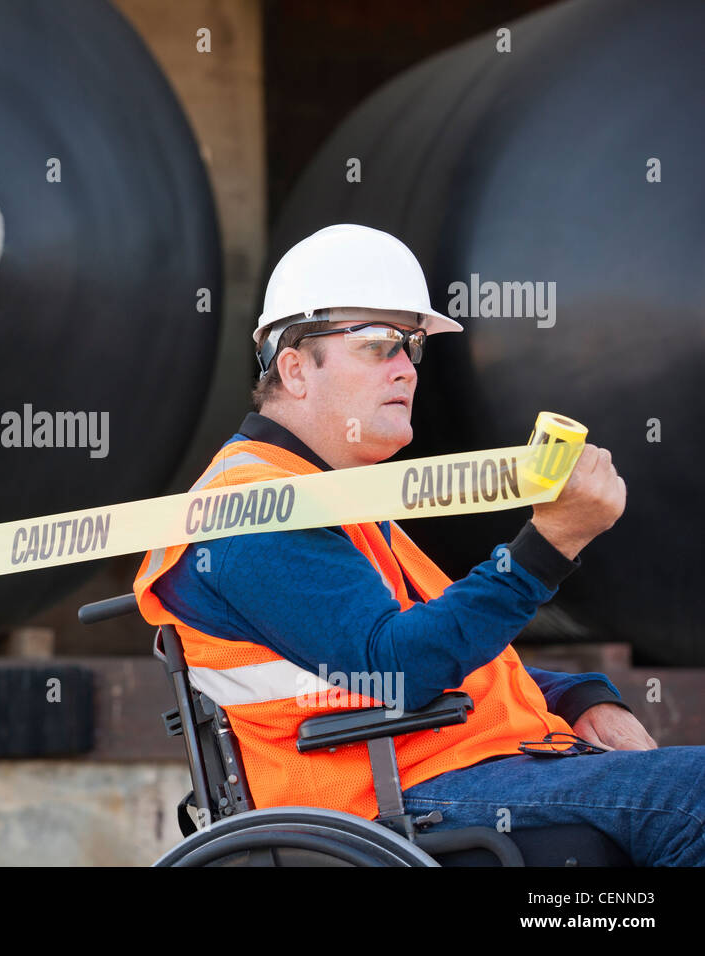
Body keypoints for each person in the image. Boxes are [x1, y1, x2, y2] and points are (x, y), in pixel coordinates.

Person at [133, 224, 704, 865]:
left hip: (435, 768)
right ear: (294, 368)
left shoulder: (327, 495)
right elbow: (395, 669)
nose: (407, 367)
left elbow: (447, 661)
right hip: (383, 800)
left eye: (413, 346)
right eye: (379, 344)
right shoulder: (255, 509)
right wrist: (549, 544)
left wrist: (579, 696)